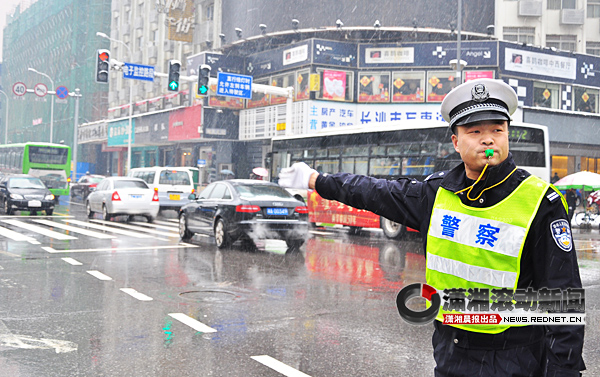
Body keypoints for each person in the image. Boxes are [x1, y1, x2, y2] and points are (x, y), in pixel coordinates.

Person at [278, 78, 585, 376]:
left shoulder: (541, 203)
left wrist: (563, 369)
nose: (488, 139)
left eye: (497, 130)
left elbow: (564, 297)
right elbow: (373, 191)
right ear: (455, 141)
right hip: (450, 352)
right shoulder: (436, 194)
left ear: (507, 134)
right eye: (475, 131)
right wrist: (316, 180)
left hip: (513, 359)